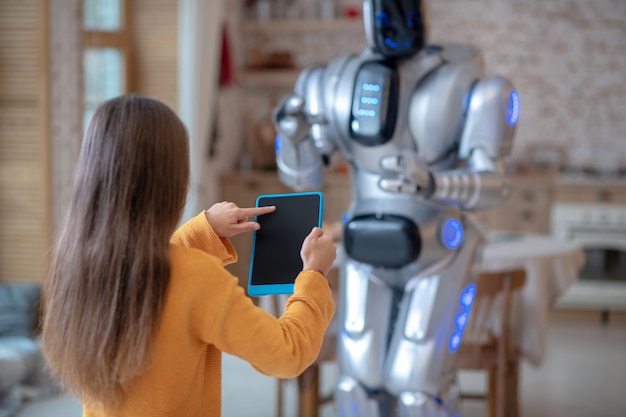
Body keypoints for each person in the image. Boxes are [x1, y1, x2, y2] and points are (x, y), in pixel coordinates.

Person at [41, 94, 337, 417]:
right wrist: (314, 276)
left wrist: (203, 231)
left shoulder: (76, 265)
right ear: (171, 183)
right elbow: (287, 353)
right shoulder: (197, 278)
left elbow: (153, 270)